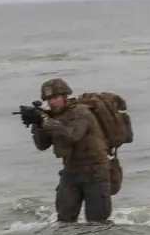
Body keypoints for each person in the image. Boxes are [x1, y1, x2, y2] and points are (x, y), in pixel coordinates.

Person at [25, 77, 114, 223]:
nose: (52, 102)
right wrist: (37, 125)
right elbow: (42, 146)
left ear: (65, 96)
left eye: (55, 97)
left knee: (98, 222)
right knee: (64, 220)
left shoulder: (82, 112)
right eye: (49, 99)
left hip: (95, 171)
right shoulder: (52, 117)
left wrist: (46, 121)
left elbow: (73, 135)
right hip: (71, 171)